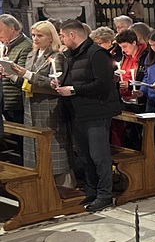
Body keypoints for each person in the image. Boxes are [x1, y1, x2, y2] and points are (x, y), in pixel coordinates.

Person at [52, 20, 121, 212]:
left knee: (99, 156)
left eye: (63, 36)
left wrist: (73, 90)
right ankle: (92, 191)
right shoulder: (69, 55)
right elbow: (73, 78)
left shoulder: (97, 54)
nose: (61, 39)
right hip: (77, 112)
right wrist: (59, 84)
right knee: (85, 156)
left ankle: (105, 194)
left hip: (96, 112)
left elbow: (102, 84)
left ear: (72, 35)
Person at [7, 20, 71, 185]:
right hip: (30, 105)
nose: (35, 38)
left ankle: (59, 184)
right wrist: (11, 74)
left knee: (52, 147)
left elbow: (54, 82)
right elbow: (25, 81)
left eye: (40, 35)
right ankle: (38, 181)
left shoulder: (57, 56)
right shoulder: (31, 54)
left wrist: (27, 74)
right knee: (33, 144)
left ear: (51, 37)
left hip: (48, 107)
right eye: (34, 35)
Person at [0, 14, 31, 124]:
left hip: (16, 101)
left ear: (12, 29)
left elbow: (23, 76)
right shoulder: (6, 45)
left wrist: (6, 71)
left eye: (0, 31)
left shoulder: (26, 46)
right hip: (5, 100)